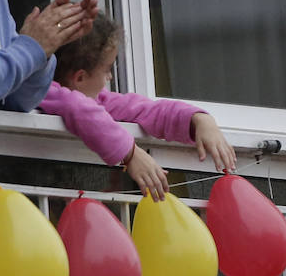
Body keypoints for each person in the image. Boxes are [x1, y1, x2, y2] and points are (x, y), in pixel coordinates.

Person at [39, 16, 237, 199]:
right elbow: (79, 108)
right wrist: (130, 154)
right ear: (80, 78)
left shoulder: (97, 99)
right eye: (107, 69)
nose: (109, 78)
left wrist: (199, 120)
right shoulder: (42, 91)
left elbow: (145, 110)